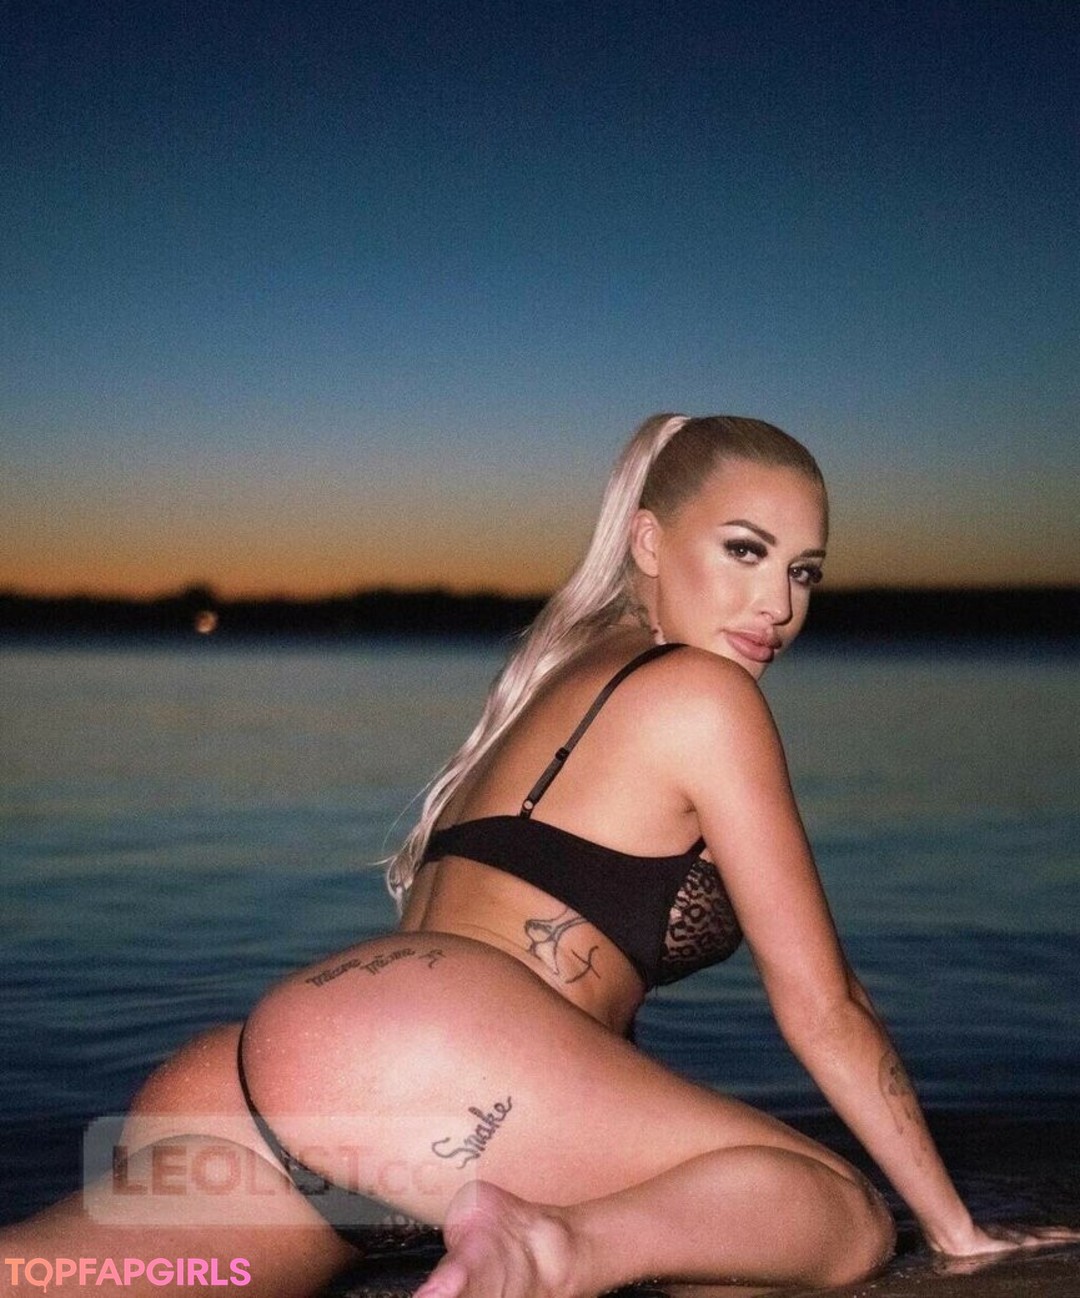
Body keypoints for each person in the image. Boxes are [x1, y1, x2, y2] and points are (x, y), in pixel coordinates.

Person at [3, 414, 1074, 1298]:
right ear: (648, 540)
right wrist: (955, 1228)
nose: (779, 604)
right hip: (433, 1076)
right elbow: (823, 1003)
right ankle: (553, 1252)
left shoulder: (547, 687)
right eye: (745, 552)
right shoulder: (705, 695)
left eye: (805, 572)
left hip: (263, 1079)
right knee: (838, 1213)